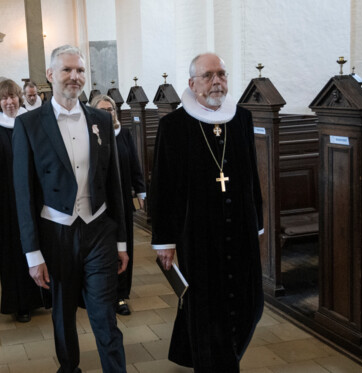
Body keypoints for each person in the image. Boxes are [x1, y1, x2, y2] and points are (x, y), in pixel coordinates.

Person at [12, 45, 128, 373]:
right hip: (56, 232)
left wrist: (121, 242)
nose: (74, 76)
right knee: (63, 316)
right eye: (67, 70)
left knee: (105, 316)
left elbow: (114, 184)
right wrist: (33, 254)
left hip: (98, 230)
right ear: (51, 75)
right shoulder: (29, 125)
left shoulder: (102, 120)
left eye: (79, 70)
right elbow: (23, 194)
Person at [148, 53, 264, 372]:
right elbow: (163, 186)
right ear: (192, 83)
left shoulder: (241, 118)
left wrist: (258, 224)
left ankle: (209, 354)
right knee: (205, 307)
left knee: (250, 304)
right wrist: (164, 241)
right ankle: (212, 362)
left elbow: (252, 175)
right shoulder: (174, 125)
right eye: (208, 75)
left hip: (239, 229)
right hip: (196, 234)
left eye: (222, 74)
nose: (217, 81)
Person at [0, 79, 49, 323]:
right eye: (4, 98)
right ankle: (20, 304)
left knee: (37, 246)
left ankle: (41, 296)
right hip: (5, 200)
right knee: (12, 253)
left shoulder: (32, 123)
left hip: (32, 197)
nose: (9, 102)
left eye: (13, 97)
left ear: (19, 99)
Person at [90, 95, 145, 316]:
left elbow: (134, 163)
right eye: (102, 110)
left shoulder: (124, 133)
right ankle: (101, 292)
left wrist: (141, 190)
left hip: (122, 202)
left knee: (124, 248)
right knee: (102, 249)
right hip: (98, 204)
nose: (107, 113)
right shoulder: (91, 136)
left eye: (110, 109)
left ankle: (121, 294)